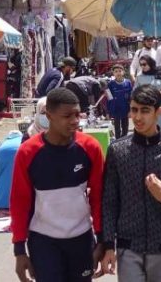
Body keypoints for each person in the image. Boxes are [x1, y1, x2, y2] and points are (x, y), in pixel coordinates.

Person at [100, 85, 161, 282]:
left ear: (158, 112)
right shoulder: (118, 151)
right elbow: (109, 201)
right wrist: (109, 244)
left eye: (145, 111)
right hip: (128, 249)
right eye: (134, 110)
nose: (138, 117)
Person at [11, 88, 105, 282]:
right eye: (67, 116)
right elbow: (19, 202)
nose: (74, 121)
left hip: (81, 239)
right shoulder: (28, 152)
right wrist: (19, 249)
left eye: (77, 114)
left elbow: (99, 197)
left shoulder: (90, 147)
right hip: (44, 242)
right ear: (49, 115)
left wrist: (102, 240)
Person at [136, 55, 161, 137]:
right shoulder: (139, 76)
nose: (143, 67)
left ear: (150, 63)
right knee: (149, 126)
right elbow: (135, 90)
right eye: (141, 65)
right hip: (146, 105)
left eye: (144, 64)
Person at [0, 130, 23, 216]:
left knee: (2, 179)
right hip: (21, 150)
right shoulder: (23, 139)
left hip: (2, 153)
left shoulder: (3, 142)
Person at [107, 64, 133, 139]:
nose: (118, 73)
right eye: (116, 71)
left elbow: (131, 98)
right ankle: (118, 142)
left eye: (120, 71)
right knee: (117, 129)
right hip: (115, 110)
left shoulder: (128, 83)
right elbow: (108, 98)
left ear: (123, 72)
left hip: (125, 109)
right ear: (113, 73)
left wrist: (131, 110)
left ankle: (124, 141)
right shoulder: (110, 84)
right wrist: (108, 112)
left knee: (125, 128)